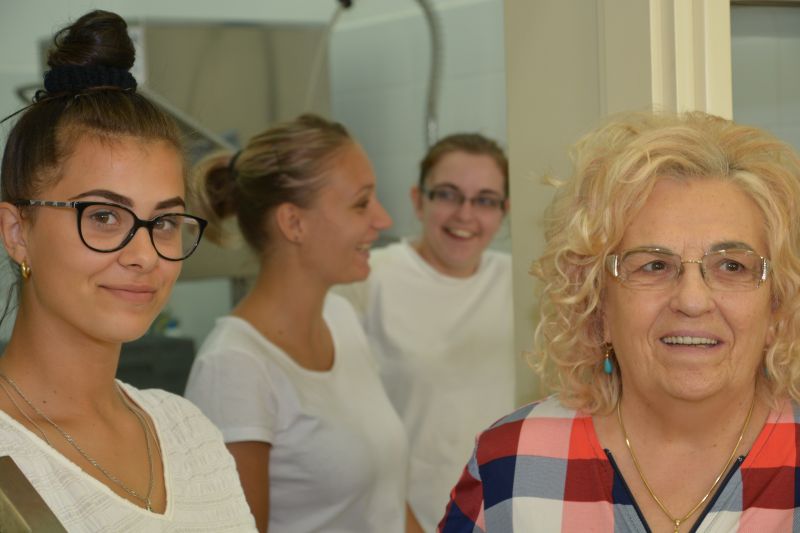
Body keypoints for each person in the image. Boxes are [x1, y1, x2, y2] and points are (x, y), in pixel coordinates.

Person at [439, 110, 800, 532]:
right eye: (653, 265)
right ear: (599, 307)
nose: (692, 300)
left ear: (776, 307)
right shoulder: (511, 466)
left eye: (732, 266)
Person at [0, 10, 256, 532]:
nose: (145, 255)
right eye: (102, 216)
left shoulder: (189, 433)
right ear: (17, 231)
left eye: (163, 221)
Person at [184, 114, 421, 533]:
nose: (383, 220)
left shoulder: (340, 318)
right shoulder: (234, 367)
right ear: (293, 223)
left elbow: (387, 502)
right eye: (361, 203)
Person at [338, 133, 515, 531]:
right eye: (448, 195)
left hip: (506, 514)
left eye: (485, 200)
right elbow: (341, 430)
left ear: (504, 210)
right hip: (399, 518)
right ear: (419, 200)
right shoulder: (367, 280)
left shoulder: (519, 283)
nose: (465, 215)